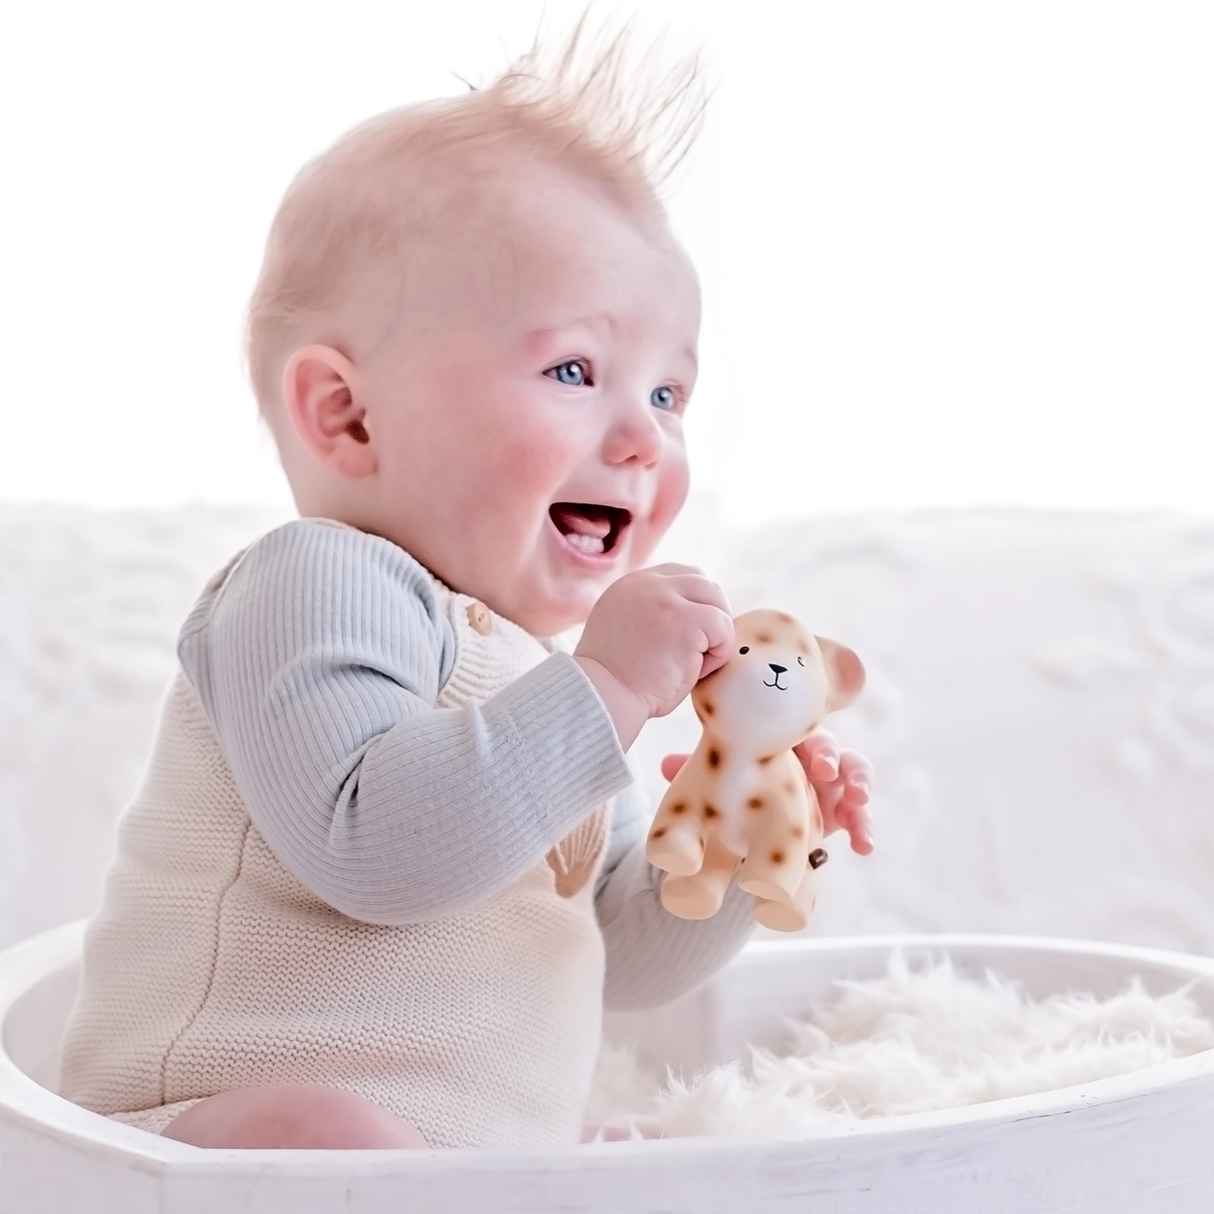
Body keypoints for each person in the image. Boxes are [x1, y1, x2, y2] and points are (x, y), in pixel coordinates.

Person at [58, 23, 874, 1150]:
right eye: (574, 370)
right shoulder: (310, 581)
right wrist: (605, 687)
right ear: (347, 415)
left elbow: (619, 959)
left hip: (445, 1169)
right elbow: (376, 847)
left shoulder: (538, 679)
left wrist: (734, 839)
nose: (642, 436)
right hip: (194, 1147)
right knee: (323, 1126)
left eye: (670, 393)